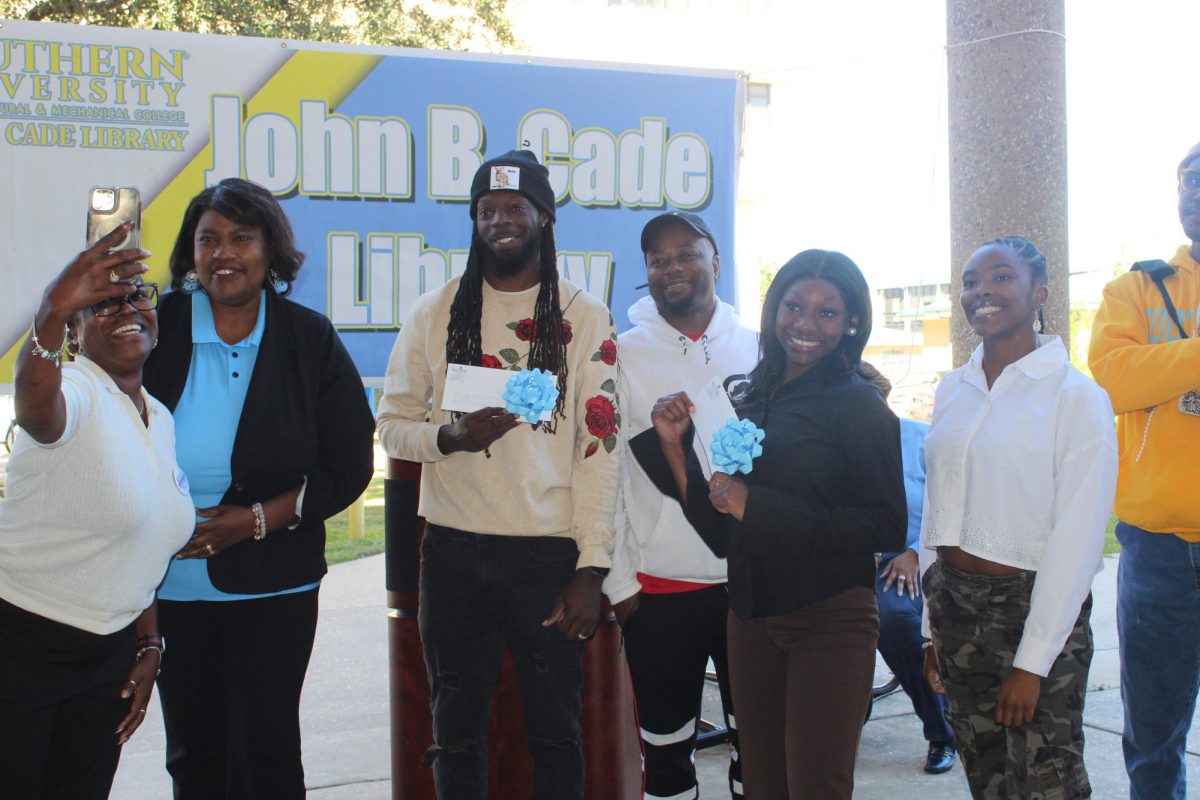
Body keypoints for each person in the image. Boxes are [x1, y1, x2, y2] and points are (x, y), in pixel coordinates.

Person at [375, 149, 620, 798]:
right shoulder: (435, 313)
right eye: (487, 209)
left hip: (545, 556)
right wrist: (447, 436)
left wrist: (591, 570)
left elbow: (601, 450)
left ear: (544, 217)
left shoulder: (583, 316)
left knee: (556, 733)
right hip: (452, 552)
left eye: (516, 208)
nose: (500, 220)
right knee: (453, 732)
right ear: (474, 220)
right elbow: (393, 424)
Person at [637, 249, 906, 799]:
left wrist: (755, 505)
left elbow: (885, 525)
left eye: (827, 312)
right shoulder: (747, 395)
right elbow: (720, 527)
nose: (805, 324)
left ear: (852, 321)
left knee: (815, 787)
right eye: (793, 306)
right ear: (773, 309)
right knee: (762, 787)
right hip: (750, 619)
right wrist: (673, 449)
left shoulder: (859, 405)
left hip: (829, 623)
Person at [141, 178, 376, 799]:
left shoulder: (309, 338)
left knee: (266, 754)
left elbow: (349, 464)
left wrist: (254, 520)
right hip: (168, 587)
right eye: (208, 239)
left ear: (270, 248)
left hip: (275, 584)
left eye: (241, 237)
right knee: (194, 756)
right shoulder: (153, 329)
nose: (225, 253)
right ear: (190, 254)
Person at [0, 225, 195, 799]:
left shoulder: (158, 415)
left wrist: (148, 644)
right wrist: (52, 310)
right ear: (78, 331)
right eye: (103, 304)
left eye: (138, 297)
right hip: (20, 647)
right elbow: (37, 411)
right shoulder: (76, 391)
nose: (128, 310)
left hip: (106, 657)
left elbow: (145, 542)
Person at [921, 236, 1117, 799]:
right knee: (986, 776)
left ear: (1040, 295)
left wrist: (1032, 664)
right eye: (970, 281)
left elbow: (1079, 540)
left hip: (1033, 611)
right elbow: (937, 507)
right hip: (955, 610)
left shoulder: (1074, 396)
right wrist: (932, 634)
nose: (981, 291)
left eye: (1001, 277)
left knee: (1046, 780)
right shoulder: (952, 389)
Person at [604, 211, 757, 799]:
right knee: (666, 761)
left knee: (758, 753)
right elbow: (605, 476)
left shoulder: (761, 346)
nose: (672, 267)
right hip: (661, 587)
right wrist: (619, 582)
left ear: (715, 261)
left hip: (750, 585)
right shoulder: (621, 355)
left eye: (686, 253)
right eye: (658, 259)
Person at [1089, 141, 1200, 800]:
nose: (1198, 193)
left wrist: (1170, 363)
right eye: (1190, 181)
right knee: (1154, 740)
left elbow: (1143, 373)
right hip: (1158, 552)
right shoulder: (1137, 289)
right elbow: (1110, 379)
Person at [856, 362, 956, 775]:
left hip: (901, 562)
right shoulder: (831, 448)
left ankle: (942, 731)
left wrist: (915, 549)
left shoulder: (919, 439)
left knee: (896, 620)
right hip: (841, 562)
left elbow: (948, 502)